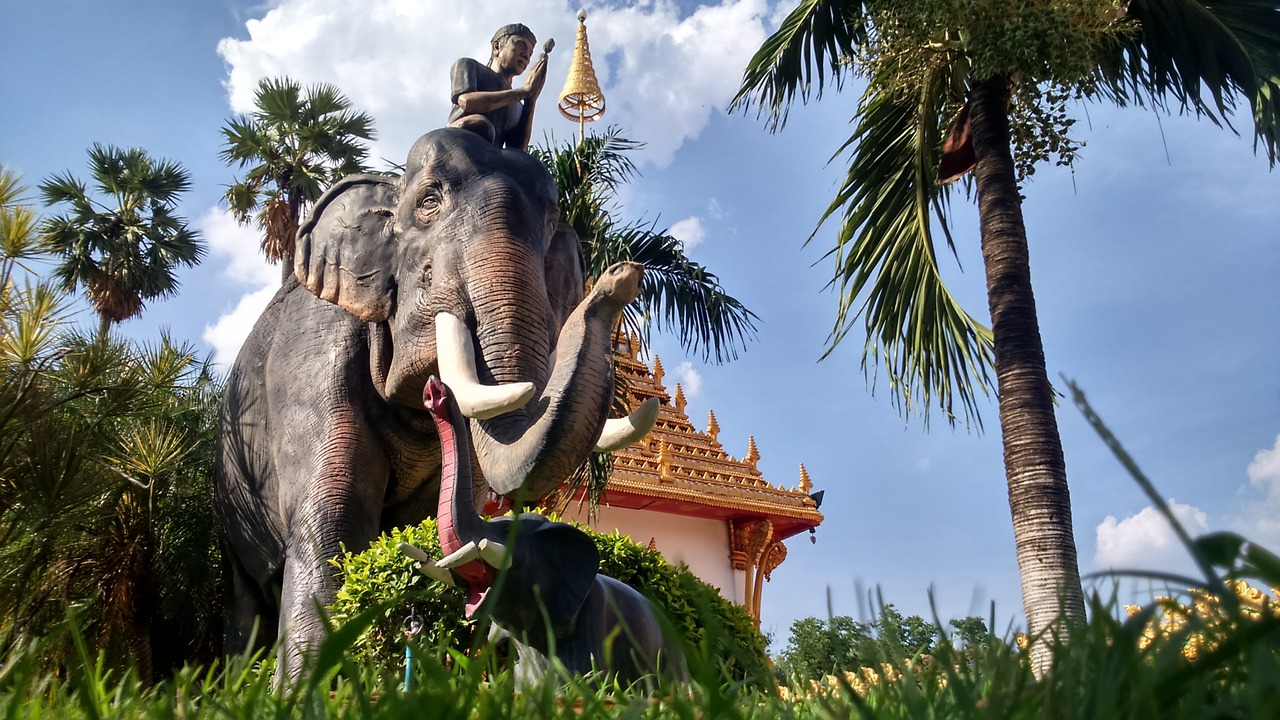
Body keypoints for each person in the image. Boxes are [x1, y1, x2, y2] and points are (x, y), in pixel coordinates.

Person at [448, 24, 548, 151]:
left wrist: (531, 100)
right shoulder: (468, 65)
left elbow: (517, 149)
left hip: (491, 156)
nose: (526, 56)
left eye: (530, 53)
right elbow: (467, 101)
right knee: (481, 125)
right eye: (520, 46)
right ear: (497, 47)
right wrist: (523, 92)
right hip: (458, 141)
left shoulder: (517, 105)